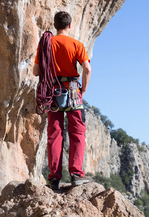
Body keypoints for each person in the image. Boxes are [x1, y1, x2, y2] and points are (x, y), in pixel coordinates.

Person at [33, 11, 93, 190]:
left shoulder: (46, 44)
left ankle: (54, 179)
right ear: (70, 25)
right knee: (77, 132)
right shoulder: (76, 44)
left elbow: (36, 72)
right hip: (73, 90)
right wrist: (83, 88)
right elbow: (87, 69)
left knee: (54, 134)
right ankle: (76, 174)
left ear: (54, 25)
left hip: (52, 91)